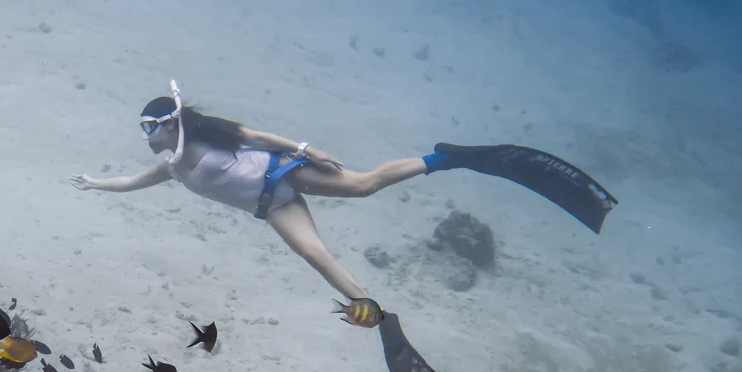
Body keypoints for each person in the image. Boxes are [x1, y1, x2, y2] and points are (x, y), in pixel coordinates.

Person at [71, 84, 617, 304]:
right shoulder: (172, 169)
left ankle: (448, 157)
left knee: (364, 185)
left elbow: (259, 138)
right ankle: (370, 308)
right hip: (272, 206)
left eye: (152, 127)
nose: (147, 137)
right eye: (143, 130)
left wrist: (307, 149)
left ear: (172, 122)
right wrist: (95, 184)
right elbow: (130, 182)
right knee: (316, 257)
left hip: (286, 173)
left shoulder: (210, 134)